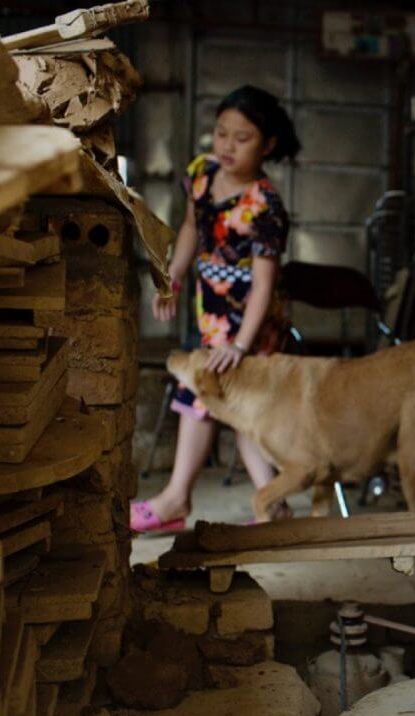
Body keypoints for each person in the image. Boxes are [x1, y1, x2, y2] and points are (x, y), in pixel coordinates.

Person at [131, 85, 300, 532]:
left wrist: (243, 344)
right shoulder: (201, 175)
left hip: (252, 326)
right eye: (221, 132)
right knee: (212, 402)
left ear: (267, 146)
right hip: (212, 318)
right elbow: (191, 228)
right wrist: (174, 275)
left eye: (241, 138)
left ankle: (183, 502)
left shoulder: (266, 205)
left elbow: (265, 284)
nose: (226, 145)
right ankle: (267, 509)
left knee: (230, 408)